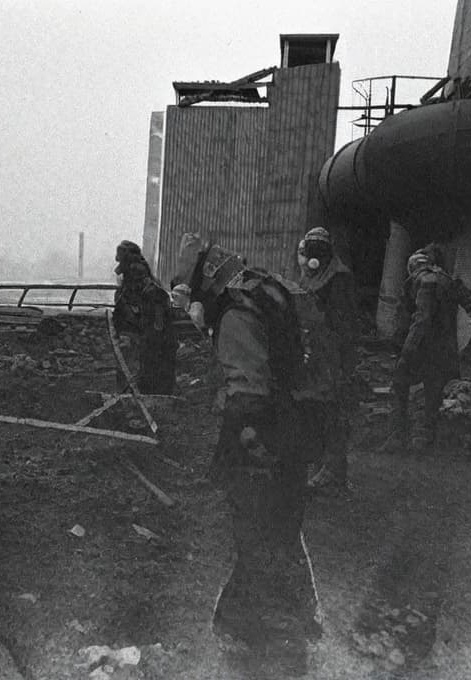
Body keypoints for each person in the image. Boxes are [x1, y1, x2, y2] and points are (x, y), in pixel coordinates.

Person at [171, 233, 319, 649]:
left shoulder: (235, 315)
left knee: (254, 526)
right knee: (283, 525)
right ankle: (294, 615)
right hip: (295, 423)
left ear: (209, 282)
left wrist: (242, 445)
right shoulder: (264, 288)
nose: (195, 311)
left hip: (263, 432)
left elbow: (249, 390)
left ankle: (253, 626)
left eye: (194, 296)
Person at [386, 242, 471, 453]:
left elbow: (420, 320)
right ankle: (424, 440)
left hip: (419, 349)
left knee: (399, 385)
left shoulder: (420, 281)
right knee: (433, 395)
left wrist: (406, 352)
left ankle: (398, 437)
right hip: (444, 352)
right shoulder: (450, 282)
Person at [291, 227, 358, 491]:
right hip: (316, 352)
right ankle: (323, 465)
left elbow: (342, 324)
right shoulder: (312, 273)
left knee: (333, 412)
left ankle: (334, 471)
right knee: (316, 408)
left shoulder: (338, 278)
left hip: (332, 355)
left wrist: (341, 361)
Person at [111, 240, 178, 394]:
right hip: (145, 339)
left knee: (147, 376)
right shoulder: (140, 284)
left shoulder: (148, 290)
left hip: (149, 340)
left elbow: (155, 323)